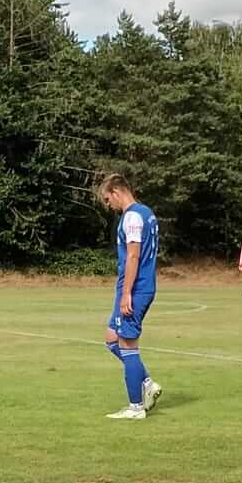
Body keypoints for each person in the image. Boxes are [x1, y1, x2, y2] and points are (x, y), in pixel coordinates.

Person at [98, 173, 162, 421]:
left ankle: (136, 406)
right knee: (112, 339)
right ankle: (146, 382)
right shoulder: (146, 213)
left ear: (116, 191)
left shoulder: (133, 216)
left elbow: (134, 256)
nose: (108, 205)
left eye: (106, 199)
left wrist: (127, 294)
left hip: (135, 287)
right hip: (134, 286)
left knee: (127, 344)